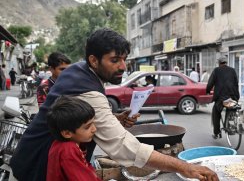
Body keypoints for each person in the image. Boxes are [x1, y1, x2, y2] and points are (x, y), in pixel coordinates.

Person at [10, 28, 218, 181]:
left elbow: (82, 114)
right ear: (93, 60)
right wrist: (184, 167)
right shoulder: (86, 87)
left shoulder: (80, 70)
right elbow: (124, 147)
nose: (122, 66)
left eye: (124, 59)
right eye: (115, 60)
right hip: (39, 167)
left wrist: (115, 119)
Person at [46, 96, 100, 181]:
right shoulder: (68, 150)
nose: (94, 129)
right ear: (67, 133)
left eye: (93, 123)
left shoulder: (62, 144)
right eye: (87, 127)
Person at [206, 56, 239, 139]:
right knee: (230, 108)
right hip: (232, 97)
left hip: (221, 98)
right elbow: (236, 83)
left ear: (219, 63)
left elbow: (210, 83)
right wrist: (236, 96)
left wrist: (208, 90)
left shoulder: (216, 70)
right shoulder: (232, 70)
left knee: (216, 112)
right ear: (226, 62)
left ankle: (216, 133)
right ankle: (228, 124)